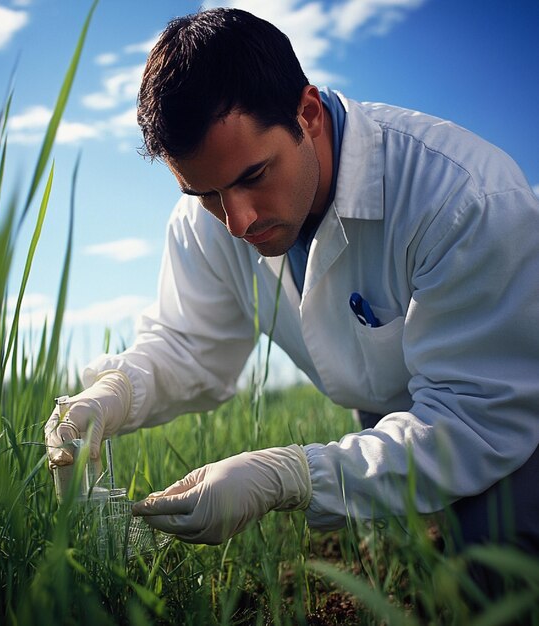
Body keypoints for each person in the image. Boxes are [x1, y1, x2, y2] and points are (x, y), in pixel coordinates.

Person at [45, 7, 539, 573]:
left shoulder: (462, 200)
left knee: (498, 565)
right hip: (393, 402)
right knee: (411, 549)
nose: (237, 221)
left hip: (509, 400)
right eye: (203, 192)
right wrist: (113, 395)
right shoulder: (210, 221)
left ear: (307, 114)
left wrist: (292, 476)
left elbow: (477, 416)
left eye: (253, 177)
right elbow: (188, 346)